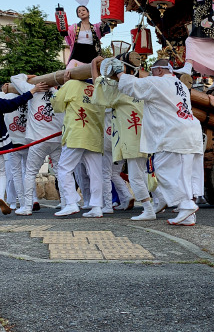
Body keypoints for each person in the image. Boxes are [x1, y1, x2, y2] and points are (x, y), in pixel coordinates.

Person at [114, 58, 203, 226]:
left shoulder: (158, 82)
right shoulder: (181, 86)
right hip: (191, 131)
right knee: (184, 175)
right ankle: (188, 215)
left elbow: (131, 86)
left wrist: (119, 72)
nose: (149, 74)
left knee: (162, 169)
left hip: (173, 133)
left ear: (160, 70)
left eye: (152, 71)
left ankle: (186, 204)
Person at [91, 57, 153, 221]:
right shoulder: (142, 84)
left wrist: (93, 66)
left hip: (132, 139)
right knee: (142, 173)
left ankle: (148, 209)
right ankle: (157, 203)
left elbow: (99, 87)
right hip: (144, 137)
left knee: (134, 177)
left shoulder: (121, 90)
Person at [51, 70, 105, 217]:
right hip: (94, 135)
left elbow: (57, 106)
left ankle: (71, 202)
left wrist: (64, 85)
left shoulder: (71, 84)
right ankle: (97, 207)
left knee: (64, 169)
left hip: (76, 134)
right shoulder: (99, 87)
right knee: (95, 173)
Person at [9, 73, 64, 216]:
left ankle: (27, 207)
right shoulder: (58, 93)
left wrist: (27, 77)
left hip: (39, 139)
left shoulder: (34, 90)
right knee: (60, 171)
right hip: (56, 138)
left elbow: (14, 78)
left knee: (30, 172)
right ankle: (66, 202)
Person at [0, 81, 48, 215]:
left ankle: (21, 202)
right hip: (27, 139)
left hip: (12, 141)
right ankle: (31, 200)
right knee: (26, 172)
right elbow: (14, 103)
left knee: (15, 173)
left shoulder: (4, 96)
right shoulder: (26, 96)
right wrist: (32, 90)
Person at [64, 6, 110, 71]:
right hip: (78, 54)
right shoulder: (73, 27)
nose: (81, 12)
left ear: (88, 12)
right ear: (78, 16)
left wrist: (106, 19)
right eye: (79, 12)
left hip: (91, 54)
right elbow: (67, 36)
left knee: (93, 74)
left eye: (83, 10)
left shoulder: (95, 27)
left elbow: (106, 26)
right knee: (70, 72)